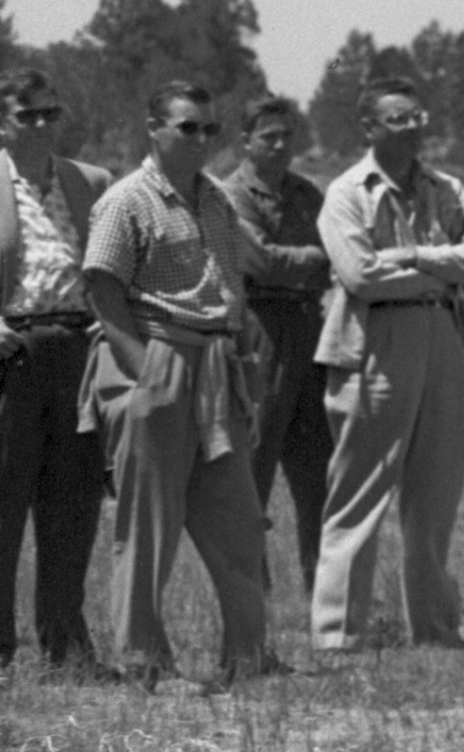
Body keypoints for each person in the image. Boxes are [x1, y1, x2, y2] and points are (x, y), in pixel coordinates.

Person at [78, 86, 278, 690]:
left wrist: (241, 359)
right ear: (153, 129)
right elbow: (102, 288)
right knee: (148, 528)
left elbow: (234, 283)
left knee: (238, 521)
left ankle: (248, 658)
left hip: (216, 365)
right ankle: (145, 663)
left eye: (210, 130)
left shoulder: (215, 199)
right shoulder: (126, 201)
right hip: (157, 355)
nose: (200, 140)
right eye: (188, 128)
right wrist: (144, 376)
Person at [314, 87, 464, 655]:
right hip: (375, 340)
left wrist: (413, 257)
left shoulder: (448, 189)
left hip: (441, 333)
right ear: (368, 126)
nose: (413, 127)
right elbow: (361, 276)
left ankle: (436, 629)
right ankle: (339, 633)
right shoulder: (345, 194)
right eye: (398, 119)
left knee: (437, 491)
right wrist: (446, 269)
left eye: (419, 117)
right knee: (360, 490)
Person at [1, 72, 105, 678]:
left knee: (73, 502)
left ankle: (65, 643)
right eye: (27, 115)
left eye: (50, 114)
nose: (41, 124)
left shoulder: (88, 182)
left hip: (79, 349)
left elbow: (117, 261)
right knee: (4, 500)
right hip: (12, 351)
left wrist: (108, 323)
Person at [218, 92, 338, 596]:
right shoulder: (231, 195)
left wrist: (314, 258)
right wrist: (316, 254)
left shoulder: (308, 194)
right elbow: (260, 261)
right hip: (261, 325)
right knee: (256, 458)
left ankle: (321, 586)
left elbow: (341, 252)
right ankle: (252, 585)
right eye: (269, 136)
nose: (281, 145)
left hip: (311, 327)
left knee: (318, 466)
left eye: (288, 135)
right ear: (246, 141)